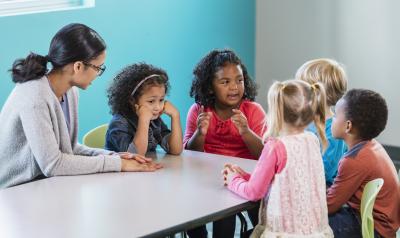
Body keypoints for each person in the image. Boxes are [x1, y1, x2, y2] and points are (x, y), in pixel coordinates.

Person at [0, 23, 161, 189]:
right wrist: (117, 164)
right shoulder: (35, 96)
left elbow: (69, 149)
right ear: (78, 66)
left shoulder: (70, 92)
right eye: (98, 67)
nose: (98, 74)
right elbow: (53, 164)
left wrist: (115, 157)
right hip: (16, 191)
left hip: (45, 184)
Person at [223, 80, 333, 237]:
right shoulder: (312, 139)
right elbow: (286, 181)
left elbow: (254, 192)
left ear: (276, 113)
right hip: (315, 232)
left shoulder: (275, 147)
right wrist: (246, 177)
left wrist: (233, 180)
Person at [184, 49, 267, 238]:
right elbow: (189, 155)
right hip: (206, 178)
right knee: (188, 204)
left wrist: (246, 132)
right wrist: (200, 133)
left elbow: (263, 156)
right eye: (225, 82)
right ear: (210, 87)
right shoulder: (198, 111)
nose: (234, 87)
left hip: (243, 179)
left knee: (225, 212)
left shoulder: (253, 111)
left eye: (239, 80)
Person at [327, 89, 400, 238]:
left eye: (335, 115)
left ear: (348, 126)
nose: (332, 119)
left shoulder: (354, 161)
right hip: (382, 225)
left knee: (314, 220)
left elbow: (329, 206)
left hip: (373, 229)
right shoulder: (371, 146)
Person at [105, 63, 182, 155]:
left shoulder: (155, 121)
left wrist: (175, 116)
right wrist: (144, 120)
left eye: (161, 100)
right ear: (132, 100)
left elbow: (175, 150)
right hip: (121, 168)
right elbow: (134, 156)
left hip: (145, 168)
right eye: (151, 101)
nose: (158, 107)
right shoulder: (119, 124)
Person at [296, 58, 348, 185]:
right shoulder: (305, 122)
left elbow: (324, 174)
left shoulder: (334, 132)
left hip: (322, 192)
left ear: (318, 94)